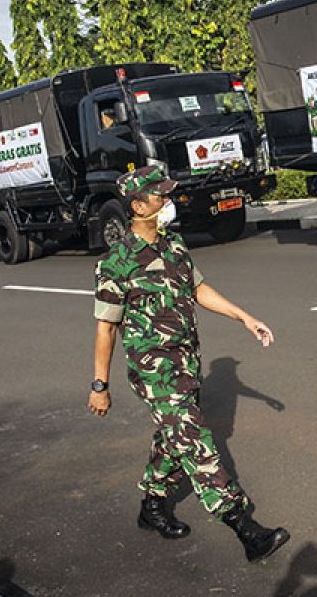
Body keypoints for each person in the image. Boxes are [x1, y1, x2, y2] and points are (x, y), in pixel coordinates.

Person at [88, 165, 290, 563]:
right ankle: (243, 526)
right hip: (152, 371)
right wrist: (100, 386)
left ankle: (152, 505)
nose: (167, 201)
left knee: (172, 439)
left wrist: (244, 317)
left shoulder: (173, 245)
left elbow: (198, 289)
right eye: (159, 196)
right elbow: (105, 329)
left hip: (185, 364)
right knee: (194, 440)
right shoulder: (115, 263)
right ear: (138, 204)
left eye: (166, 194)